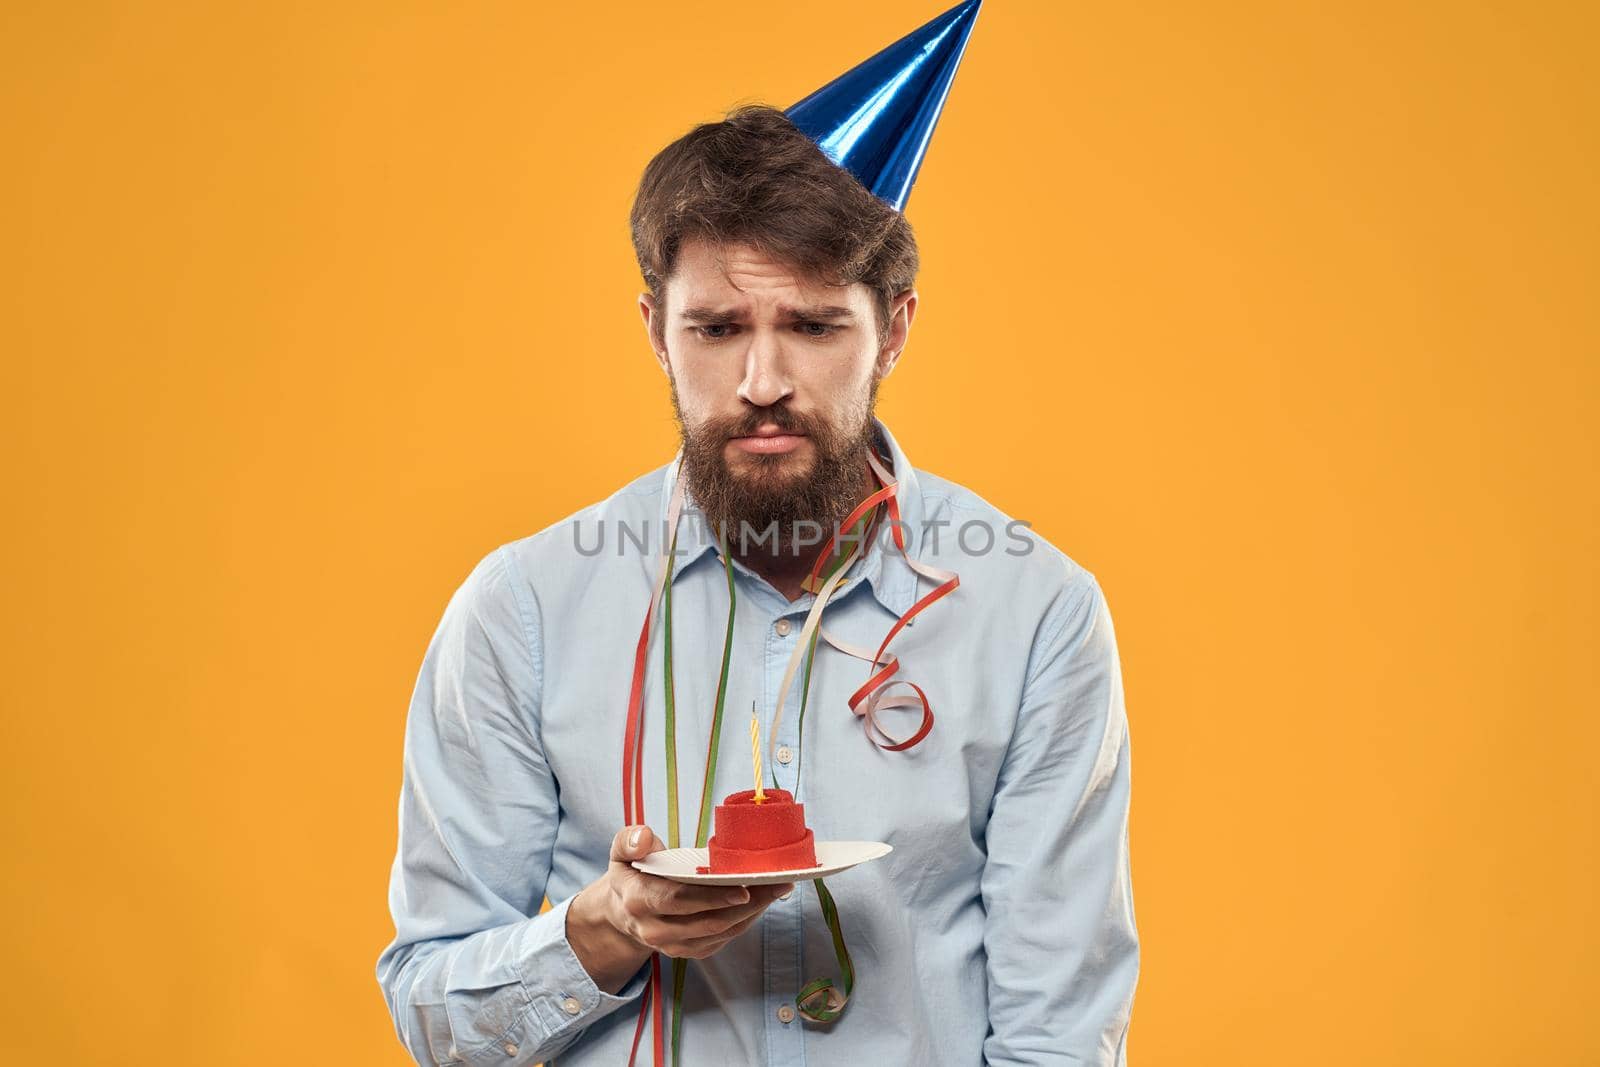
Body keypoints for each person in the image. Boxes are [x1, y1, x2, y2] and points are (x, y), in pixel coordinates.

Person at [376, 10, 1137, 1064]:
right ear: (654, 327)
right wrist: (603, 929)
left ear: (896, 327)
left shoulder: (1035, 611)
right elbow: (432, 1016)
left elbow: (1057, 1034)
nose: (763, 383)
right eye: (718, 327)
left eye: (815, 327)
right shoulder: (525, 609)